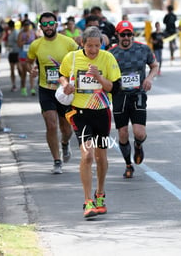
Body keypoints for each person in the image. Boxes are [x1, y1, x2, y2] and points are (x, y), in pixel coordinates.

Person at [59, 26, 121, 218]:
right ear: (82, 44)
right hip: (79, 112)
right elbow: (61, 75)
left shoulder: (108, 58)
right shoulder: (73, 58)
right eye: (89, 46)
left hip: (102, 112)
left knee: (100, 157)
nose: (93, 50)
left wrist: (99, 77)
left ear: (101, 44)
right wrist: (65, 85)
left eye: (97, 45)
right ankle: (88, 201)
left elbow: (115, 88)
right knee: (87, 155)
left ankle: (100, 194)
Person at [27, 11, 79, 174]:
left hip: (65, 91)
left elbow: (81, 60)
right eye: (45, 24)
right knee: (51, 125)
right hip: (46, 90)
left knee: (67, 129)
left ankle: (64, 143)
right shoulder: (36, 45)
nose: (48, 27)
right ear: (40, 27)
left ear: (56, 25)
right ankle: (57, 160)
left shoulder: (68, 43)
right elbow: (29, 63)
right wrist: (32, 70)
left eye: (51, 24)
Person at [109, 20, 159, 178]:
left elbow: (154, 65)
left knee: (139, 132)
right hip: (119, 96)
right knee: (122, 134)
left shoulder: (143, 49)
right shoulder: (111, 53)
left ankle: (138, 145)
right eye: (123, 34)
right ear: (117, 35)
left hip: (138, 95)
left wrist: (149, 78)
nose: (126, 37)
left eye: (129, 34)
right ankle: (128, 165)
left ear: (132, 35)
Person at [17, 19, 37, 96]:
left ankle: (32, 88)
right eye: (25, 25)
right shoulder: (21, 34)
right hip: (23, 56)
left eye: (28, 25)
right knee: (23, 74)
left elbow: (36, 42)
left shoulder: (33, 33)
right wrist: (25, 40)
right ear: (23, 26)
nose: (27, 26)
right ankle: (23, 88)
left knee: (31, 72)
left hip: (31, 56)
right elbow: (19, 45)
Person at [6, 20, 21, 93]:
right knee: (12, 69)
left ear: (9, 26)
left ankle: (22, 82)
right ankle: (14, 85)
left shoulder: (15, 32)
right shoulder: (10, 32)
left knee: (19, 68)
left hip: (17, 52)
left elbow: (18, 41)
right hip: (11, 53)